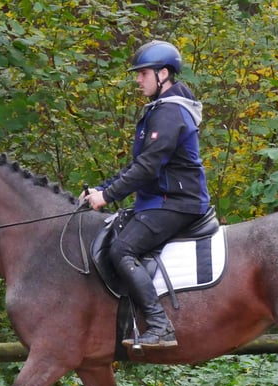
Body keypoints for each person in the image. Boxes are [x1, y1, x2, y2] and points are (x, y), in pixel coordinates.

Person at [81, 40, 210, 349]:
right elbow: (140, 164)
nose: (138, 80)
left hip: (178, 203)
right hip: (160, 200)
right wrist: (102, 188)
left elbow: (148, 168)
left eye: (143, 74)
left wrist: (108, 195)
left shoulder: (169, 114)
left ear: (163, 74)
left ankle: (159, 325)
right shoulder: (159, 110)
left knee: (122, 250)